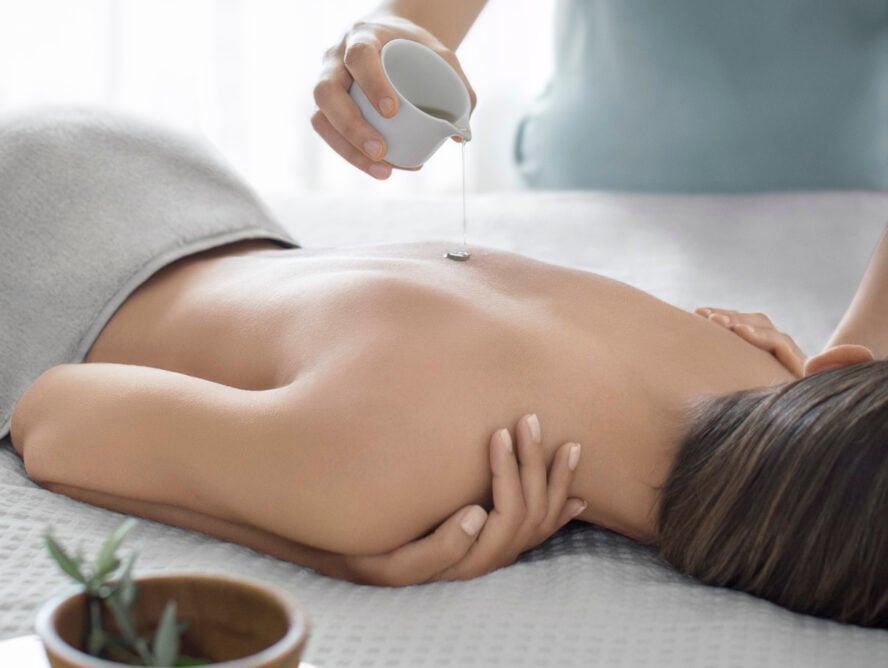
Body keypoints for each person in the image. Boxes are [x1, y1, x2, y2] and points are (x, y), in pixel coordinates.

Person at [4, 111, 888, 629]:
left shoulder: (756, 353)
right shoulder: (380, 478)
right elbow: (47, 413)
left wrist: (815, 395)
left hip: (155, 169)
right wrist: (337, 554)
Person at [313, 0, 887, 192]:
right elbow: (422, 14)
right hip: (580, 183)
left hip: (853, 212)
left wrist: (853, 358)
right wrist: (388, 28)